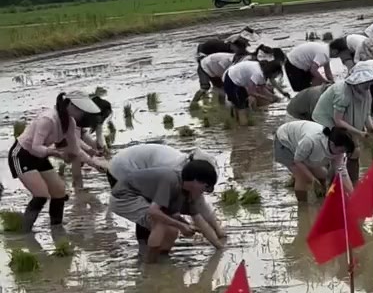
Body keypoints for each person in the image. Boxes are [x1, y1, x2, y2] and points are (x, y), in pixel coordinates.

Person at [8, 92, 105, 232]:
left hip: (40, 156)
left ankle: (57, 228)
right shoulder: (48, 119)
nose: (83, 116)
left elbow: (75, 149)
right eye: (82, 112)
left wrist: (95, 163)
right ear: (71, 106)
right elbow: (35, 147)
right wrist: (54, 152)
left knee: (59, 191)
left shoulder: (70, 122)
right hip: (21, 155)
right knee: (41, 194)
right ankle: (24, 231)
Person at [107, 142, 225, 245]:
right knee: (152, 214)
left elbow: (199, 205)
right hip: (122, 168)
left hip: (137, 167)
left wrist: (219, 233)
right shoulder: (173, 171)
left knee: (163, 214)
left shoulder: (188, 173)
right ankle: (147, 250)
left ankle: (155, 245)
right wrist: (182, 224)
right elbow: (159, 207)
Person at [311, 66, 373, 182]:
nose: (367, 85)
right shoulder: (342, 93)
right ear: (356, 82)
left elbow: (366, 112)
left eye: (369, 82)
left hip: (348, 123)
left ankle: (353, 183)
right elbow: (338, 120)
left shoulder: (366, 92)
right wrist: (359, 133)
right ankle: (330, 184)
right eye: (364, 82)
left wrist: (371, 127)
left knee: (355, 152)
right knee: (333, 153)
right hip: (327, 122)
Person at [273, 121, 355, 202]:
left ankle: (322, 199)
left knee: (323, 174)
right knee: (302, 177)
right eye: (342, 150)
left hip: (302, 146)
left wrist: (352, 194)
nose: (342, 153)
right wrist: (312, 179)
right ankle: (302, 207)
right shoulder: (310, 141)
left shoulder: (339, 150)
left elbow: (342, 172)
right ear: (332, 144)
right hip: (285, 141)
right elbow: (297, 161)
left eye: (345, 151)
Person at [70, 94, 113, 189]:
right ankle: (78, 187)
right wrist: (92, 158)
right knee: (76, 158)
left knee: (97, 151)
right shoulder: (76, 117)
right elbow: (76, 142)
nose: (101, 120)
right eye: (101, 117)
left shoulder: (97, 118)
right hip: (66, 135)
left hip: (80, 132)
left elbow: (99, 136)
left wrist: (103, 148)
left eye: (104, 118)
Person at [223, 57, 283, 124]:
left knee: (243, 105)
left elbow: (262, 88)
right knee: (242, 108)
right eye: (277, 74)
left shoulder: (262, 69)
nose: (276, 76)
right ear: (273, 72)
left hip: (238, 79)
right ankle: (244, 130)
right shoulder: (258, 74)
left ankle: (238, 125)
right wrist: (268, 98)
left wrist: (274, 96)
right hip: (232, 79)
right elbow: (251, 92)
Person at [195, 30, 252, 98]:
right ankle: (196, 101)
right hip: (205, 61)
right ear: (232, 45)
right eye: (242, 47)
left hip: (215, 63)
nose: (244, 48)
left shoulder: (238, 53)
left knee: (222, 88)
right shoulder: (219, 45)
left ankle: (221, 101)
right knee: (205, 87)